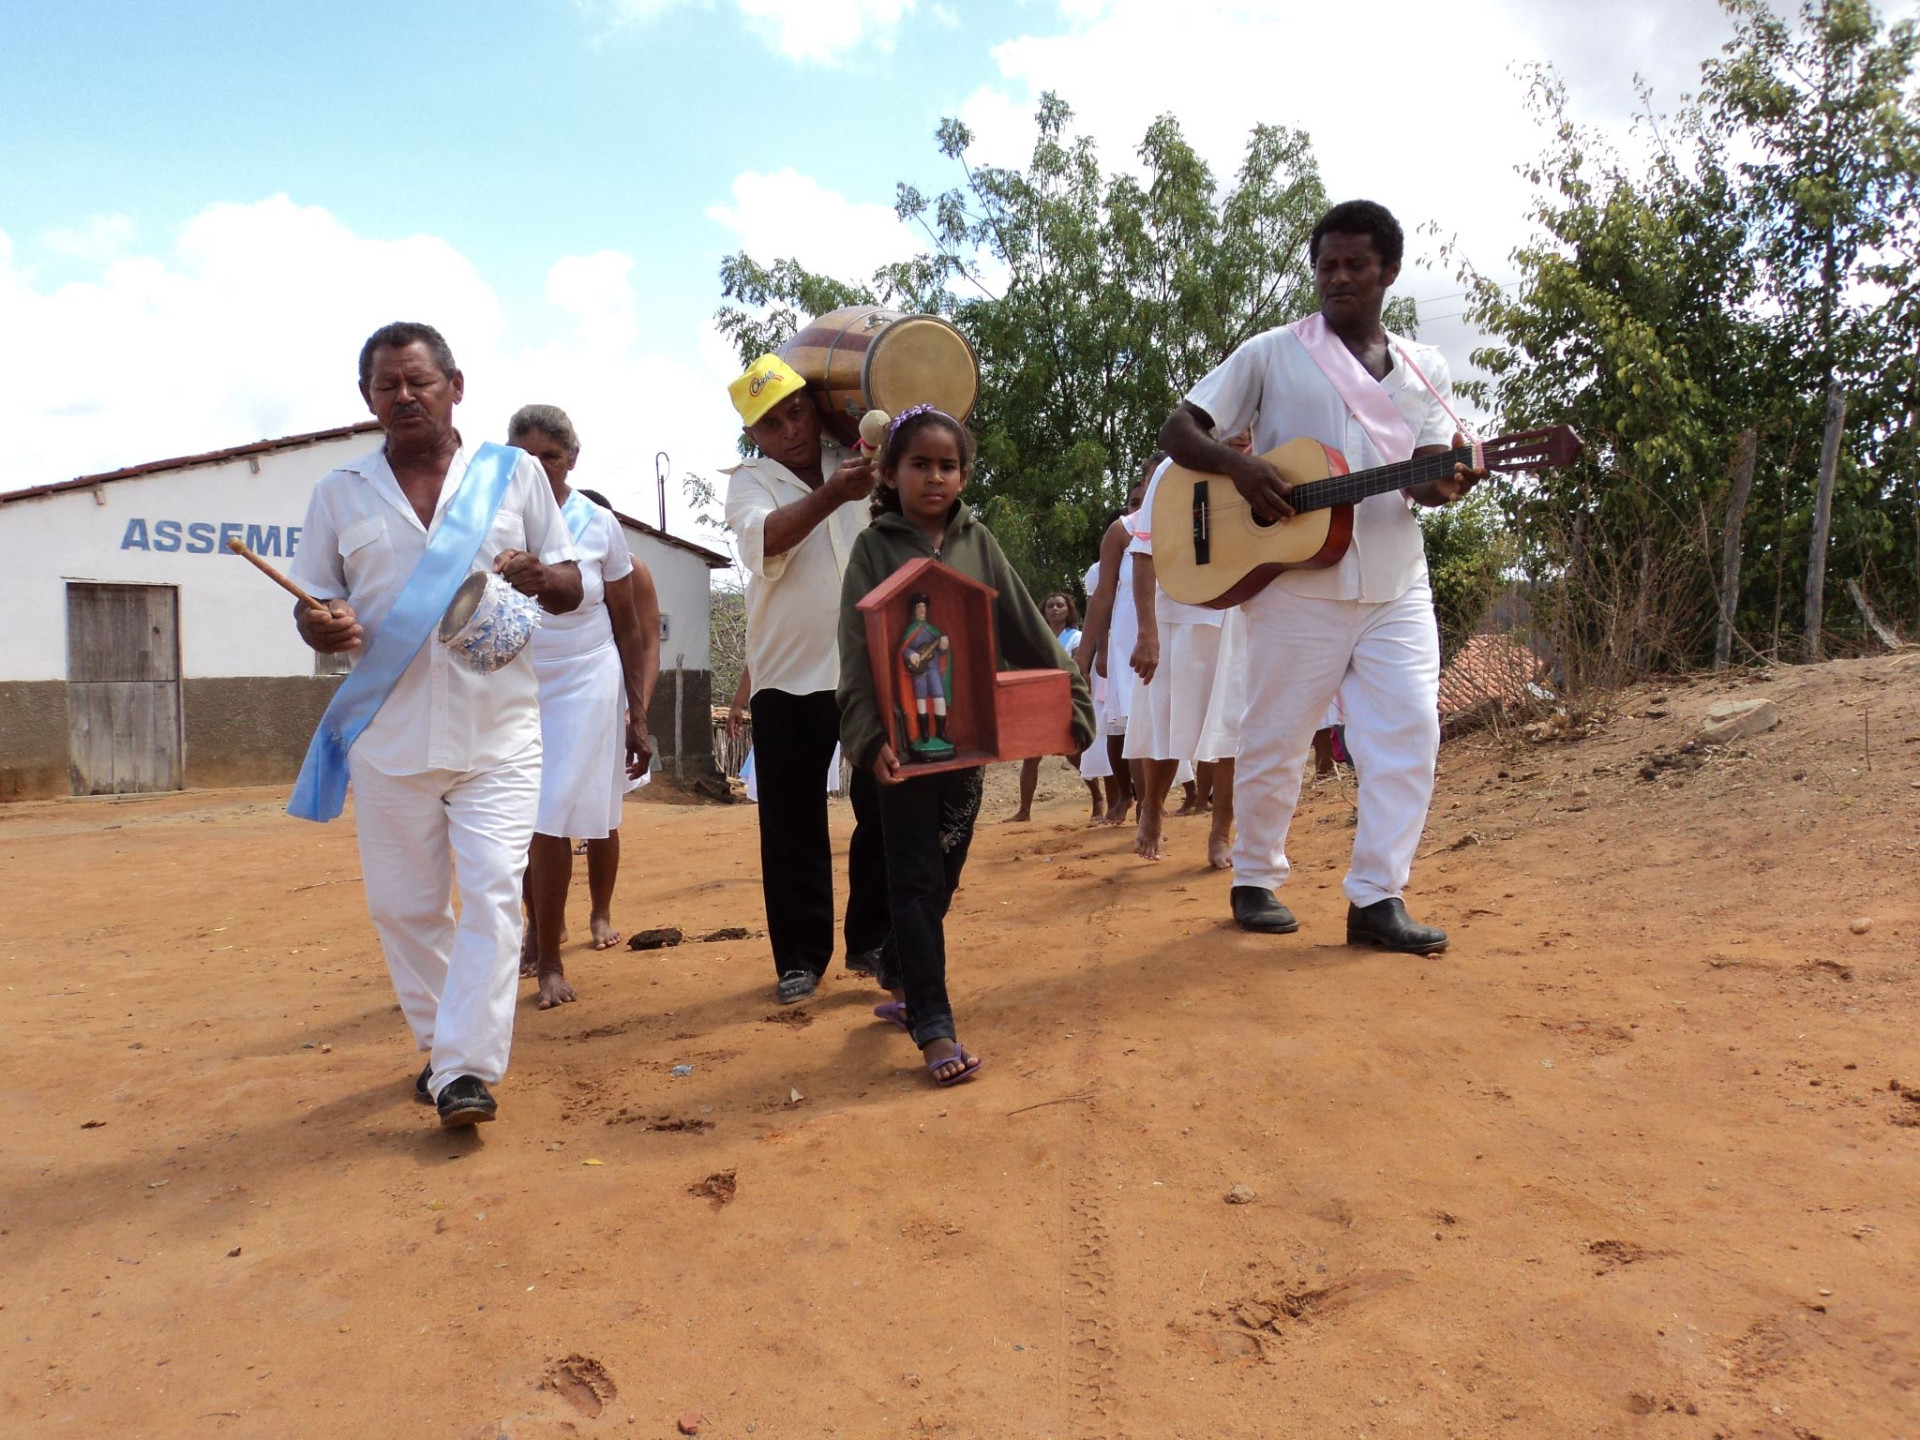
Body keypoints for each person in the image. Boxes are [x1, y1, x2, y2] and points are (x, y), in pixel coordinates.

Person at [1158, 200, 1486, 953]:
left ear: (1389, 273)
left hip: (1396, 579)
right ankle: (1255, 877)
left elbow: (1426, 483)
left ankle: (1377, 897)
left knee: (1411, 732)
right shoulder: (1272, 353)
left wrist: (1447, 482)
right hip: (1294, 579)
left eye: (1356, 265)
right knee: (1274, 735)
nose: (1338, 277)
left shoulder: (1424, 371)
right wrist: (1241, 468)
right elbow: (1180, 430)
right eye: (1327, 265)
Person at [288, 321, 582, 1126]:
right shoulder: (339, 491)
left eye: (420, 381)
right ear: (367, 399)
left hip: (500, 732)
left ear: (456, 386)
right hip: (390, 733)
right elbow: (311, 601)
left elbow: (569, 586)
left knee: (492, 895)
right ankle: (441, 1046)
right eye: (388, 386)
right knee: (405, 907)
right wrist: (322, 626)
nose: (405, 396)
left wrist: (534, 574)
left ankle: (462, 1071)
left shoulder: (514, 475)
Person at [837, 406, 1095, 1084]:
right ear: (889, 473)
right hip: (901, 751)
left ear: (964, 473)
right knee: (917, 883)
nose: (934, 476)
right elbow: (856, 656)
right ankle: (934, 1027)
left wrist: (1072, 705)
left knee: (944, 875)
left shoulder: (977, 542)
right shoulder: (874, 548)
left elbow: (1024, 628)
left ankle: (897, 968)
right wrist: (867, 740)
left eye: (947, 465)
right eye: (919, 464)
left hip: (968, 744)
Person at [723, 355, 890, 1003]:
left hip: (867, 666)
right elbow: (766, 541)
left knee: (883, 806)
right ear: (754, 436)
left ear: (814, 408)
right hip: (786, 674)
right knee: (791, 822)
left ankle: (872, 942)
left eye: (796, 411)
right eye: (770, 423)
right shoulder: (749, 483)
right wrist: (832, 495)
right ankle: (799, 958)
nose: (789, 429)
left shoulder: (858, 464)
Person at [508, 406, 661, 1009]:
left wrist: (638, 716)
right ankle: (540, 927)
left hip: (588, 679)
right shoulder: (495, 523)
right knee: (522, 819)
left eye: (550, 454)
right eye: (525, 456)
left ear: (572, 458)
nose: (538, 466)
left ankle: (549, 960)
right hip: (517, 679)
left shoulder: (598, 523)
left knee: (550, 814)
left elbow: (628, 624)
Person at [1122, 437, 1252, 868]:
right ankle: (1152, 810)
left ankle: (1221, 831)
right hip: (1175, 612)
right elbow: (1143, 553)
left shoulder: (1269, 459)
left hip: (1238, 614)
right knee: (1164, 724)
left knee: (1232, 728)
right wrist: (1147, 633)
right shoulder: (1171, 470)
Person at [1074, 472, 1151, 825]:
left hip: (1181, 629)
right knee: (1135, 724)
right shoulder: (1121, 530)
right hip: (1129, 637)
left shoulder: (1193, 519)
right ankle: (1147, 810)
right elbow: (1102, 595)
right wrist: (1086, 653)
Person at [1004, 591, 1099, 822]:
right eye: (1050, 606)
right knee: (1031, 756)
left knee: (1073, 754)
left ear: (1069, 611)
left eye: (1060, 605)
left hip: (1064, 701)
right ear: (1043, 612)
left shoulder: (1076, 637)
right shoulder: (1038, 638)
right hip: (1038, 701)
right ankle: (1024, 811)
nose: (1055, 609)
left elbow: (1077, 670)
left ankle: (1098, 800)